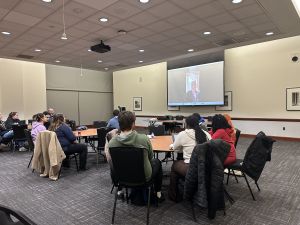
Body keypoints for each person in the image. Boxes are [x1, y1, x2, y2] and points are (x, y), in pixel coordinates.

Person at [108, 111, 164, 202]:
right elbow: (150, 157)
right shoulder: (144, 139)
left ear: (119, 124)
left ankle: (120, 191)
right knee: (156, 161)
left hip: (122, 178)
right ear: (133, 124)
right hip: (143, 178)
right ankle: (158, 193)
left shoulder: (112, 143)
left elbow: (114, 162)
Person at [168, 115, 211, 202]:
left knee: (175, 165)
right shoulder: (206, 134)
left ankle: (174, 195)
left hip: (191, 168)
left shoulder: (183, 134)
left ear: (186, 124)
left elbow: (175, 148)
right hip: (206, 167)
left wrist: (172, 145)